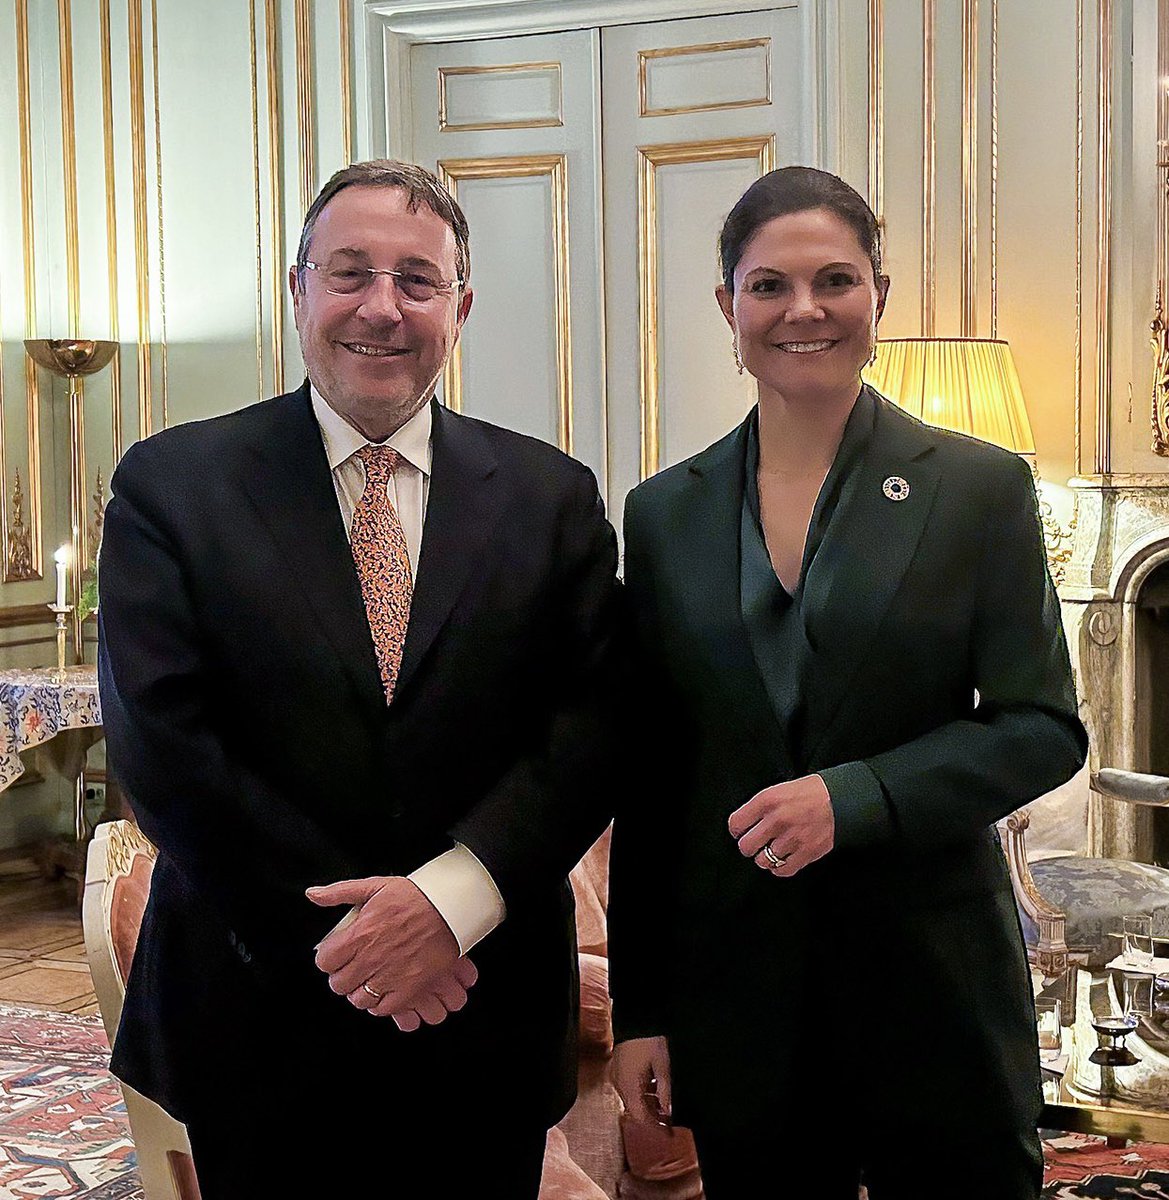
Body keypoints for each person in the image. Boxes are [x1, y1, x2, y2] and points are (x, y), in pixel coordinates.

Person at [97, 160, 622, 1198]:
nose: (381, 308)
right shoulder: (173, 486)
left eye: (417, 280)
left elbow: (591, 730)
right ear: (298, 290)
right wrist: (360, 941)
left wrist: (446, 906)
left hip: (485, 1005)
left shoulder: (549, 496)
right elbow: (166, 750)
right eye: (349, 273)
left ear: (458, 307)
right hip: (255, 1010)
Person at [607, 166, 1087, 1199]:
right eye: (767, 285)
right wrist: (643, 1009)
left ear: (879, 294)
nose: (802, 310)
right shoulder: (660, 515)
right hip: (741, 1011)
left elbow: (1041, 728)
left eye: (834, 279)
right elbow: (652, 783)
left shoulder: (976, 488)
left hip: (932, 993)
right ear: (725, 305)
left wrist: (855, 797)